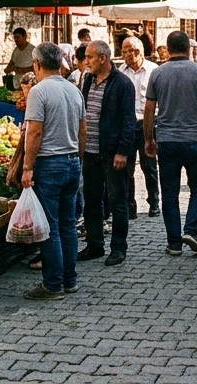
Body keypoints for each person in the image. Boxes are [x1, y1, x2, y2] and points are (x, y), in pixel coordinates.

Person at [143, 31, 197, 256]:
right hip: (195, 139)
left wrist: (149, 138)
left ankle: (174, 243)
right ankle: (192, 229)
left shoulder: (157, 73)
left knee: (169, 192)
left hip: (167, 140)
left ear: (167, 49)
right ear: (189, 48)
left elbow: (149, 108)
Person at [17, 43, 85, 300]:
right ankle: (70, 279)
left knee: (50, 227)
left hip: (49, 164)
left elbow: (34, 132)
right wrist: (77, 160)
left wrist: (27, 167)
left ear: (36, 65)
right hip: (70, 162)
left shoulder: (39, 91)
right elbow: (82, 131)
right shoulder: (74, 90)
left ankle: (53, 284)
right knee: (68, 224)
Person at [77, 40, 136, 267]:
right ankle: (95, 244)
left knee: (116, 200)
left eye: (90, 57)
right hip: (90, 151)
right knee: (91, 200)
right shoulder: (88, 80)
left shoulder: (122, 83)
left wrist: (122, 151)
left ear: (102, 58)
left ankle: (119, 248)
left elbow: (128, 121)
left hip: (112, 153)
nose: (87, 61)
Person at [118, 37, 160, 218]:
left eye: (130, 51)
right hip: (126, 124)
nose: (126, 54)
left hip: (147, 123)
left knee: (149, 166)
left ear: (138, 52)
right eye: (124, 51)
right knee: (127, 168)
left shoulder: (153, 70)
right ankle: (130, 205)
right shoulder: (120, 72)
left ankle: (154, 202)